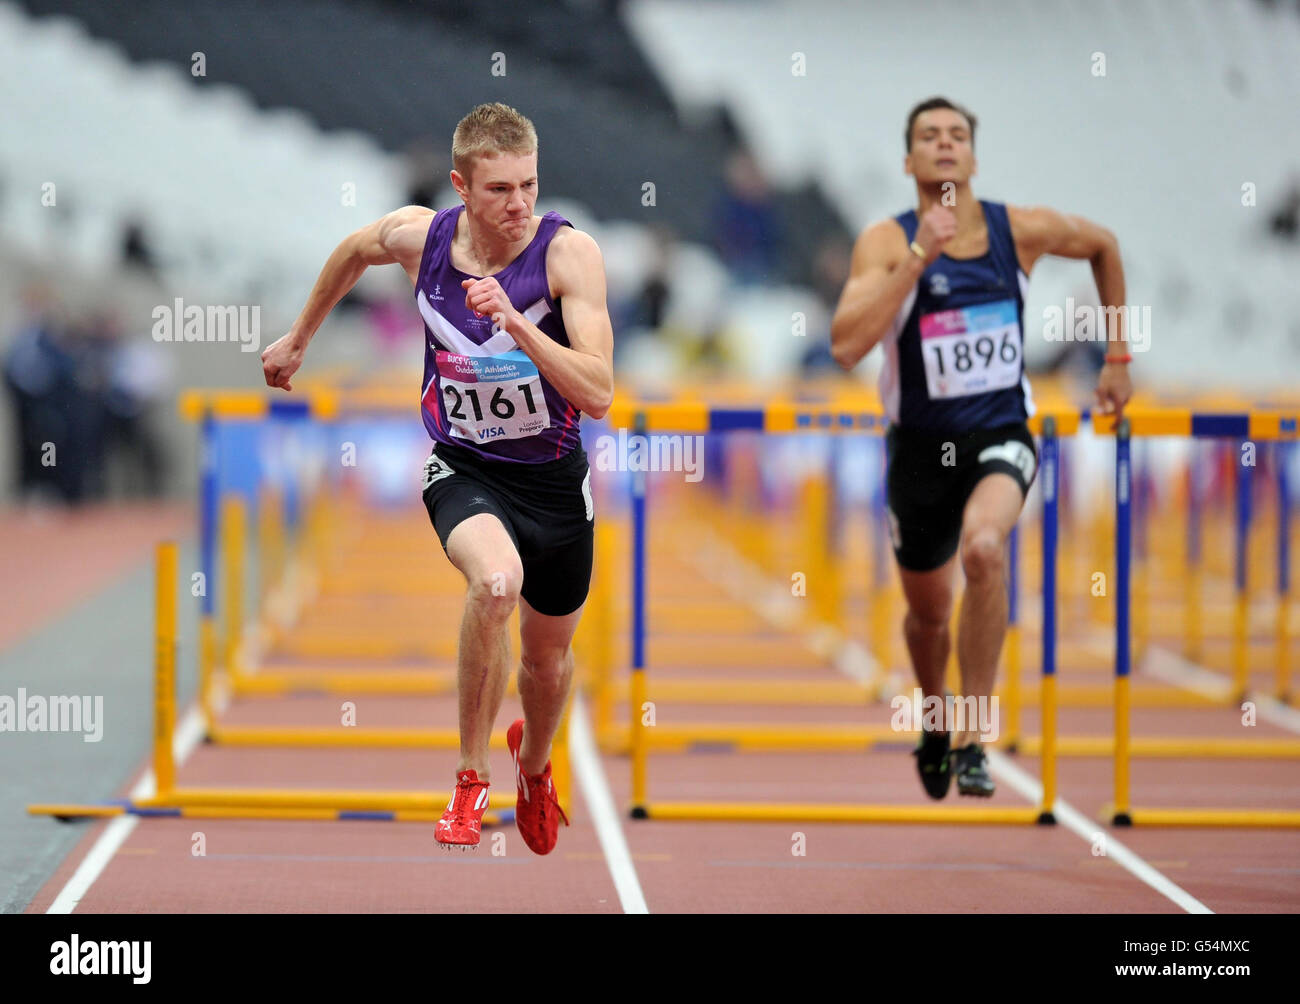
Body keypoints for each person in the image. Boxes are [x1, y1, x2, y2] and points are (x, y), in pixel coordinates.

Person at [260, 103, 615, 852]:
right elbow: (356, 250)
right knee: (494, 586)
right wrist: (299, 336)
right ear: (460, 187)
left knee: (548, 663)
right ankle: (468, 776)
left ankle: (537, 763)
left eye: (529, 185)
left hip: (554, 483)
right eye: (498, 191)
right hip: (464, 467)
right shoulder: (421, 239)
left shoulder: (566, 257)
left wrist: (519, 324)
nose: (519, 205)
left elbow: (599, 391)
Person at [830, 97, 1132, 798]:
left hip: (1000, 434)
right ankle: (936, 718)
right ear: (909, 161)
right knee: (929, 614)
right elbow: (846, 345)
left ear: (972, 157)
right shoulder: (885, 241)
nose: (943, 144)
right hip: (919, 452)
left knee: (985, 549)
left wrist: (1118, 353)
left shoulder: (1017, 230)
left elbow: (1104, 244)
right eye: (928, 136)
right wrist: (917, 258)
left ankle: (973, 731)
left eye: (956, 135)